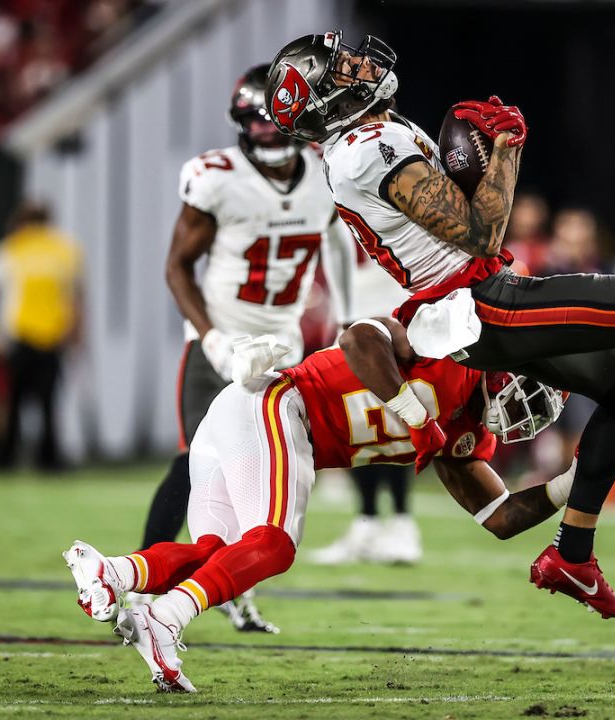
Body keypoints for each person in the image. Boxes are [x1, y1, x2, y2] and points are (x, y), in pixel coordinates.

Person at [264, 31, 615, 620]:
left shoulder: (368, 139)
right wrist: (507, 147)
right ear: (324, 99)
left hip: (472, 303)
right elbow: (480, 233)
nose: (358, 64)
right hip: (480, 302)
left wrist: (474, 155)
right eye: (341, 67)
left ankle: (573, 556)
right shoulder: (363, 147)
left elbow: (458, 212)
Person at [63, 319, 577, 692]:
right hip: (280, 404)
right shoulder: (448, 345)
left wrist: (570, 484)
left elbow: (501, 517)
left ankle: (113, 572)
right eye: (527, 392)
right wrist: (415, 415)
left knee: (218, 555)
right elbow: (358, 338)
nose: (524, 413)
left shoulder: (464, 435)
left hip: (250, 419)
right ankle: (166, 618)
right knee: (275, 546)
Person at [139, 64, 356, 630]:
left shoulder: (324, 175)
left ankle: (232, 591)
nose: (265, 133)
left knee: (261, 483)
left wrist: (347, 317)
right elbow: (176, 267)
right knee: (195, 465)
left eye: (275, 121)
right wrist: (211, 338)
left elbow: (339, 245)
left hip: (280, 351)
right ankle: (142, 585)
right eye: (254, 122)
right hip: (220, 343)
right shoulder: (216, 177)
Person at [309, 250, 421, 567]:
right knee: (361, 424)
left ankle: (401, 523)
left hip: (391, 315)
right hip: (355, 313)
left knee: (397, 423)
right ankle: (368, 520)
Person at [0, 201, 83, 471]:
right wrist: (76, 332)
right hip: (51, 338)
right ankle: (49, 461)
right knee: (48, 405)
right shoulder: (65, 250)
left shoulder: (8, 250)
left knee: (9, 402)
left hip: (16, 338)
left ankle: (4, 460)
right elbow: (76, 297)